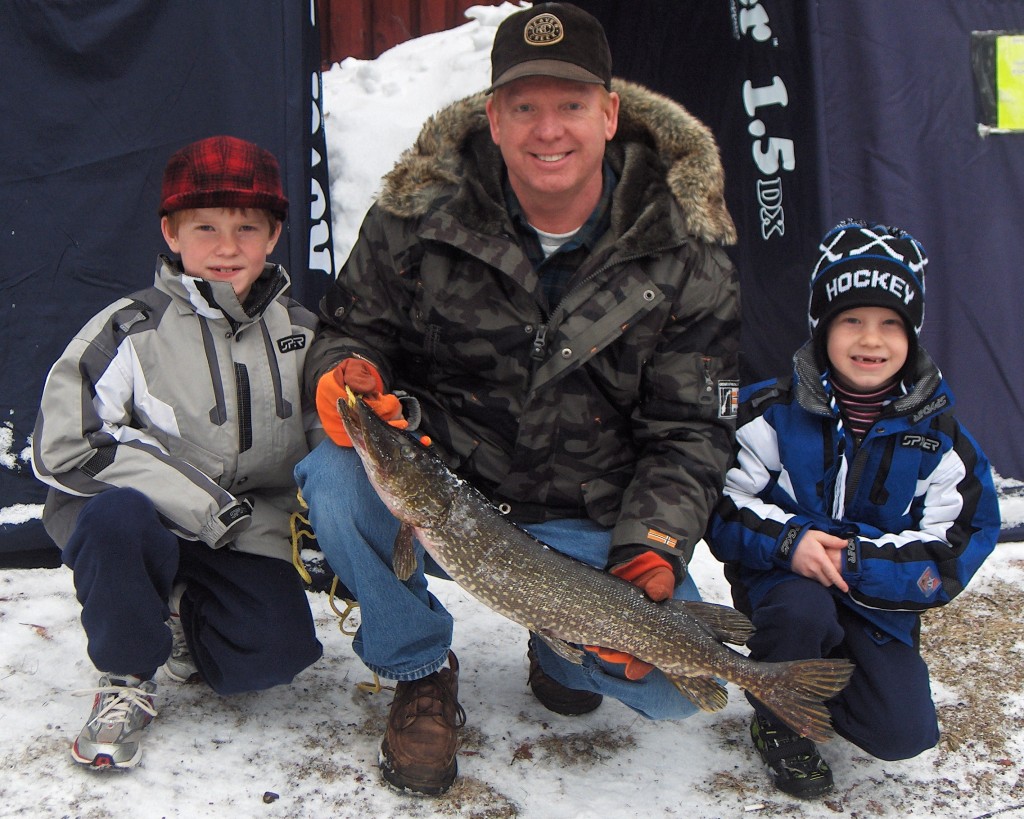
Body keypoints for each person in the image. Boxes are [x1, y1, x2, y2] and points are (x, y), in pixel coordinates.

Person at [295, 2, 740, 796]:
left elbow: (692, 428)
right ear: (493, 118)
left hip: (590, 516)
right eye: (525, 106)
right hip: (451, 484)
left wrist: (654, 545)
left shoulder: (683, 249)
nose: (548, 130)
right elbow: (348, 328)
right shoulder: (416, 215)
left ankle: (560, 642)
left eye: (570, 105)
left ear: (609, 113)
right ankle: (420, 667)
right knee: (334, 475)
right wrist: (346, 371)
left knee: (673, 691)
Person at [31, 135, 324, 769]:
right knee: (116, 518)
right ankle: (125, 676)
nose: (227, 247)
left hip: (241, 532)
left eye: (248, 227)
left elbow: (322, 443)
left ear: (274, 236)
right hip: (142, 522)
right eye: (205, 227)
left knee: (275, 657)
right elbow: (65, 444)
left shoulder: (303, 334)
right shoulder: (130, 327)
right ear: (171, 233)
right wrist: (203, 503)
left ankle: (177, 608)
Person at [708, 220, 1000, 799]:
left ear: (913, 334)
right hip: (784, 585)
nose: (871, 340)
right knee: (802, 613)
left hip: (877, 599)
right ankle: (779, 716)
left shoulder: (939, 436)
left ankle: (827, 677)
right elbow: (722, 500)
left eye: (891, 323)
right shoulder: (772, 412)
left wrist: (860, 561)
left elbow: (960, 537)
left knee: (902, 733)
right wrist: (790, 543)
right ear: (822, 329)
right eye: (852, 321)